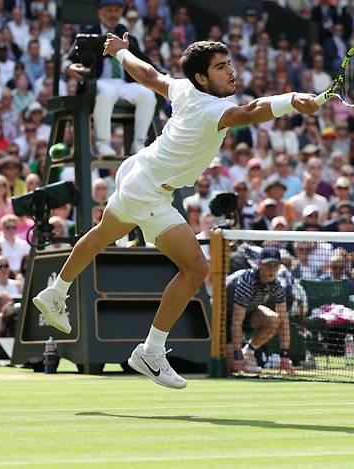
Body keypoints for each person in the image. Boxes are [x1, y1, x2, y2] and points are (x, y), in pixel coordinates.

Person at [33, 38, 317, 389]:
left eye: (229, 63)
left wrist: (119, 51)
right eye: (220, 67)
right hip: (150, 191)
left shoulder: (184, 90)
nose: (231, 71)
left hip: (137, 172)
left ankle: (57, 291)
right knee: (196, 269)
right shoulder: (212, 111)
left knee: (103, 234)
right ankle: (151, 350)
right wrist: (290, 100)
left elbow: (150, 76)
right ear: (201, 78)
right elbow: (251, 111)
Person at [63, 0, 157, 156]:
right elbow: (68, 60)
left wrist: (162, 73)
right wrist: (69, 68)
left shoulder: (127, 36)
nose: (113, 14)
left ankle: (139, 143)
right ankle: (103, 143)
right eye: (109, 10)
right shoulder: (88, 33)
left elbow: (145, 60)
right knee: (107, 92)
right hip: (98, 82)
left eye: (116, 10)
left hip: (124, 83)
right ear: (100, 12)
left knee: (147, 95)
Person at [226, 247, 292, 374]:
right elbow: (236, 322)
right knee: (231, 367)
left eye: (275, 265)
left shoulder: (276, 286)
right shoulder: (246, 282)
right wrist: (238, 357)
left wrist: (284, 355)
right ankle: (238, 354)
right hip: (223, 317)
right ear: (260, 264)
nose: (271, 269)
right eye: (268, 265)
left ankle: (249, 351)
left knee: (275, 320)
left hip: (246, 312)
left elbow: (284, 320)